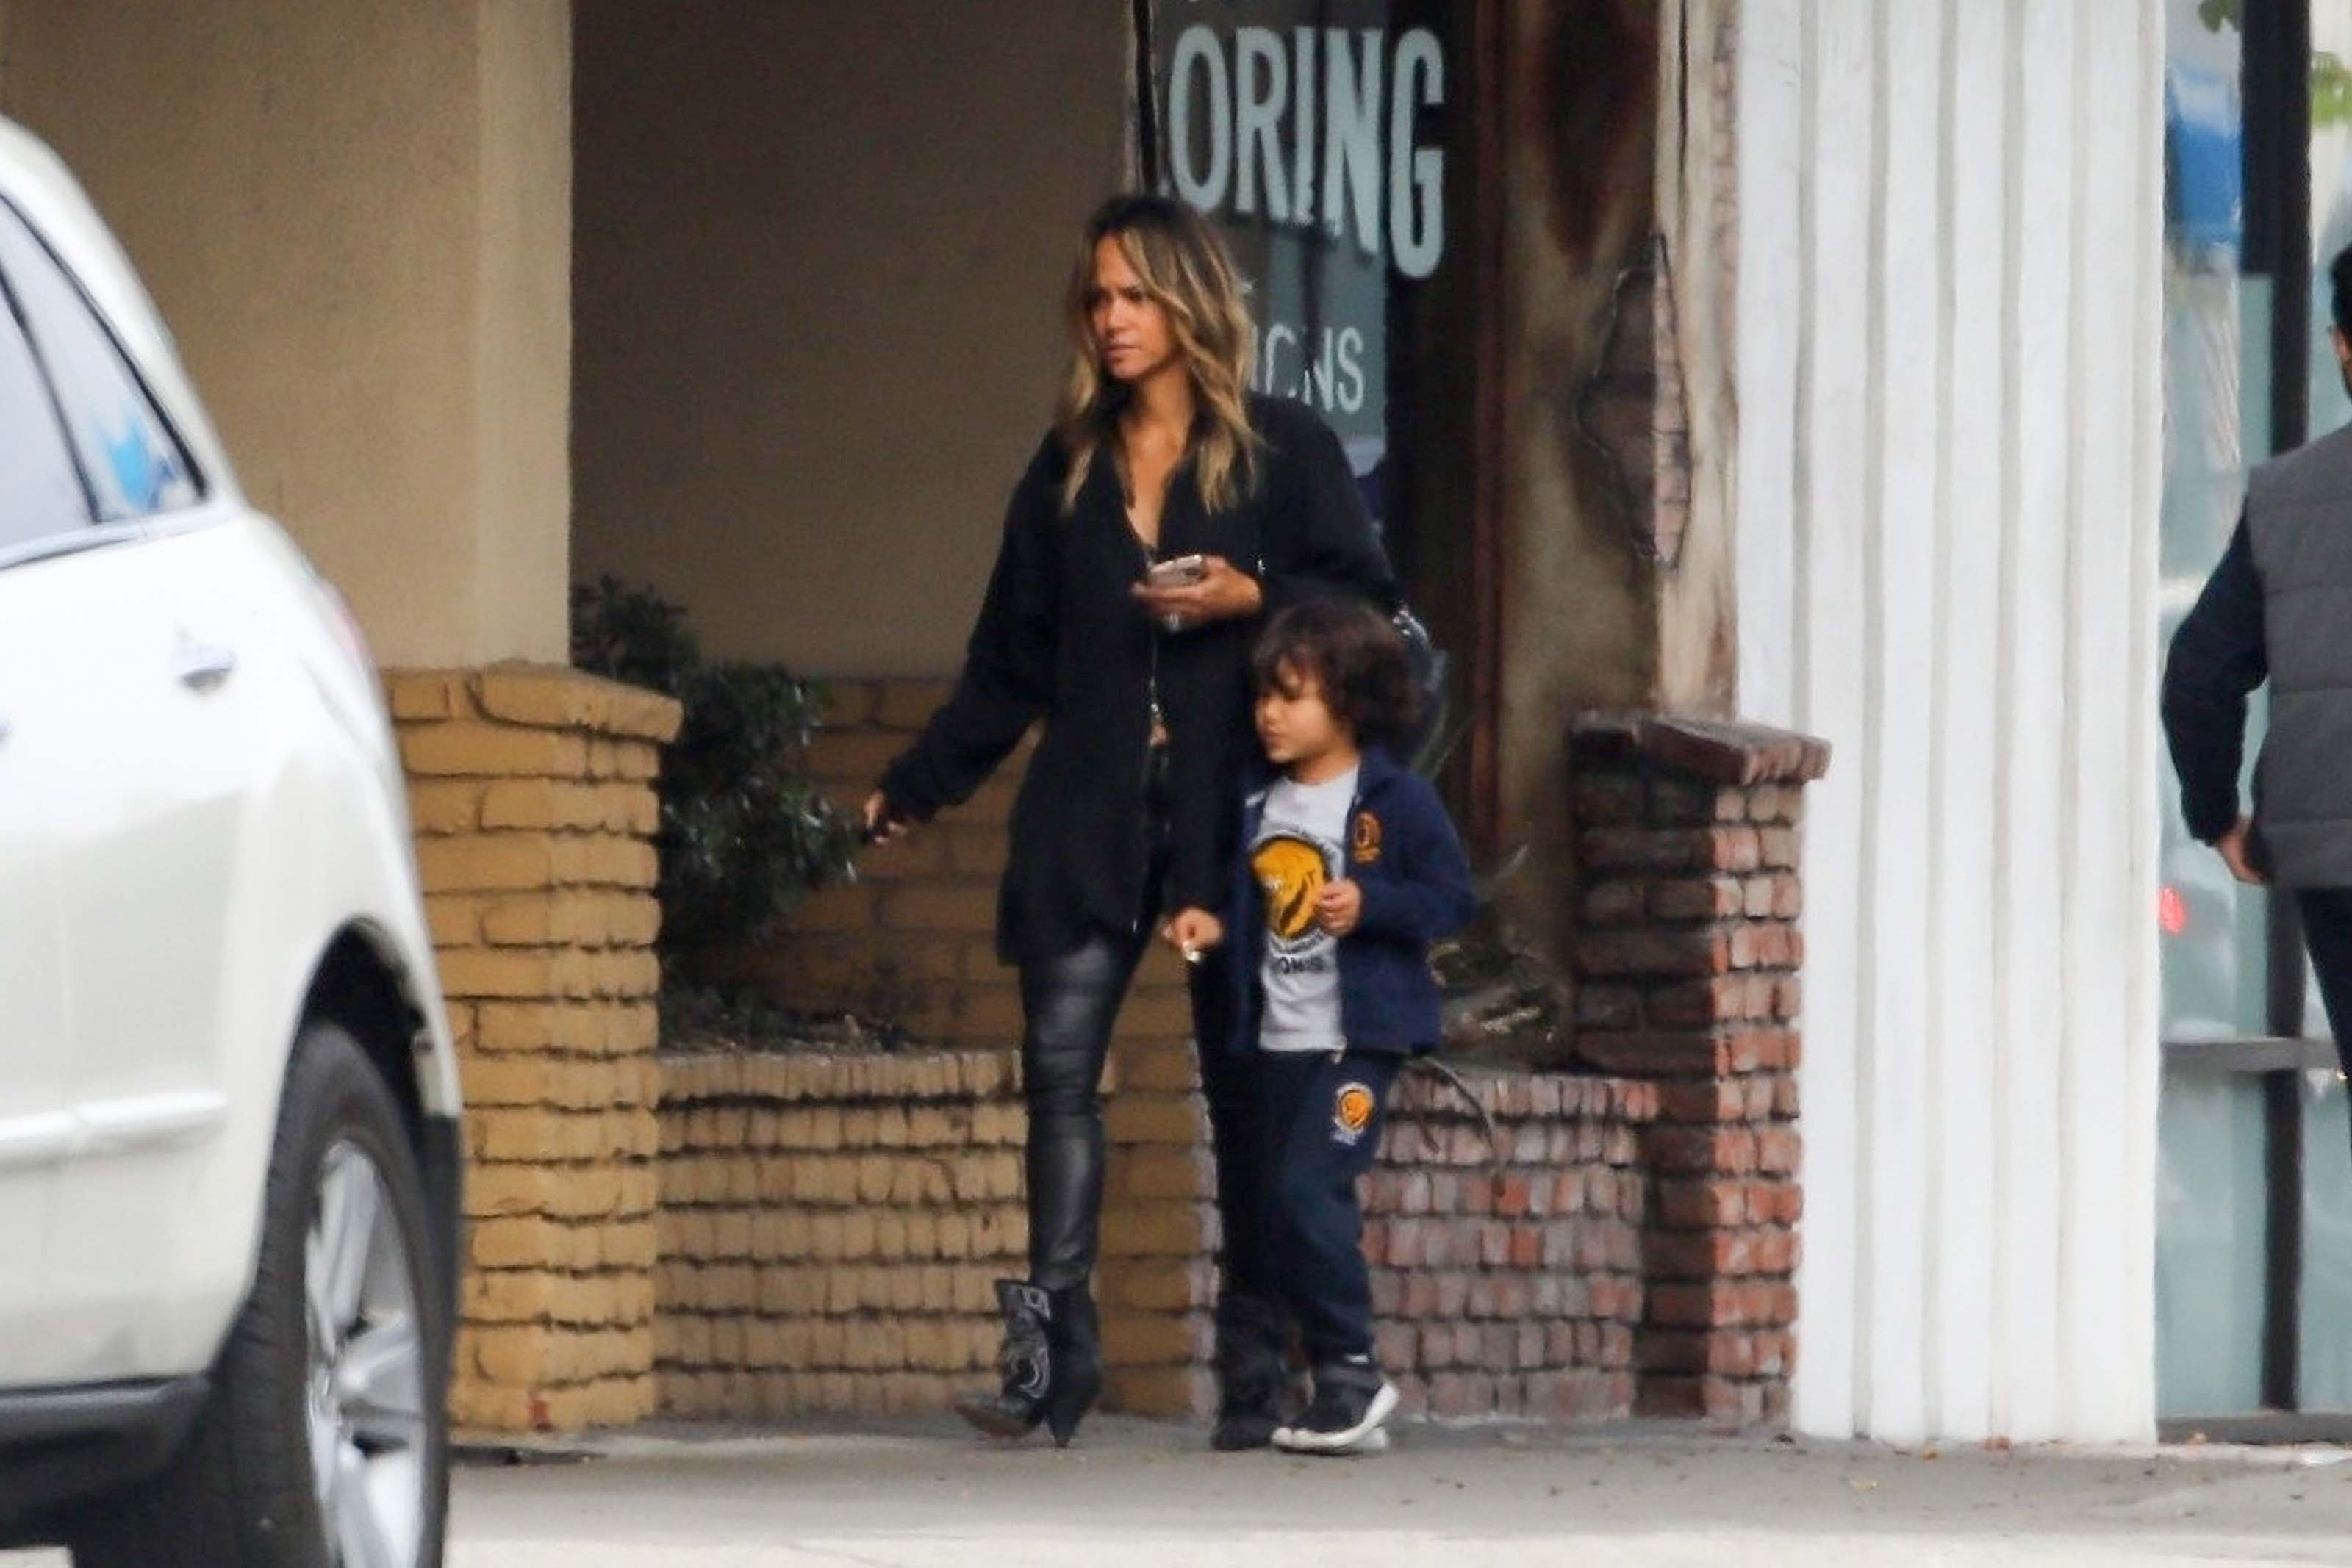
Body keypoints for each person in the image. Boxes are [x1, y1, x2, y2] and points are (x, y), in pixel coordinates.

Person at [862, 193, 1396, 1447]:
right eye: (1096, 297)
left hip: (1237, 816)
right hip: (1090, 807)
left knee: (1249, 1091)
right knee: (1060, 1076)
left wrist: (1248, 596)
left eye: (1135, 295)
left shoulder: (1282, 449)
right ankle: (1056, 1356)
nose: (1110, 318)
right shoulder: (1066, 470)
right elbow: (1010, 663)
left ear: (1190, 303)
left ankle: (1260, 1370)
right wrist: (919, 780)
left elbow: (1365, 611)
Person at [1163, 600, 1477, 1456]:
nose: (1269, 712)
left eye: (1291, 696)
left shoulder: (1393, 800)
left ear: (1350, 702)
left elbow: (1452, 899)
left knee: (1310, 1191)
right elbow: (1252, 907)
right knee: (1273, 1211)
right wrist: (1210, 927)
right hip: (1275, 1042)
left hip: (1354, 1042)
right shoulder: (1257, 802)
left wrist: (1372, 904)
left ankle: (1350, 1369)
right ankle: (1323, 1385)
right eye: (1264, 694)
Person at [2164, 242, 2352, 1115]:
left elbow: (2199, 672)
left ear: (2339, 345)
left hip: (2332, 857)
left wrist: (2217, 816)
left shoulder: (2284, 497)